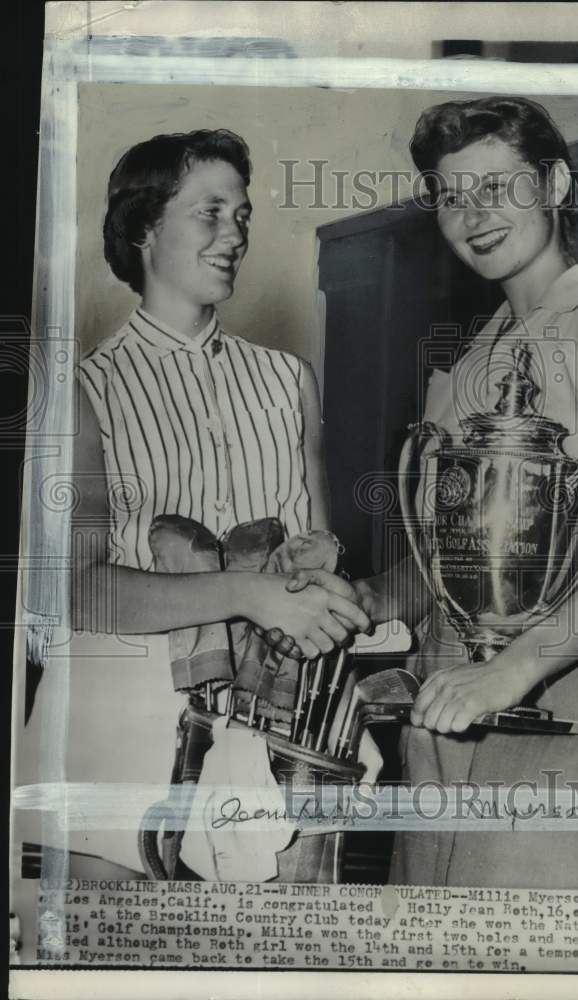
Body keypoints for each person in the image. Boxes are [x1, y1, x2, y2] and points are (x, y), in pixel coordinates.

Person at [339, 97, 578, 888]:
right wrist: (360, 601)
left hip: (565, 723)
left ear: (556, 183)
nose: (473, 215)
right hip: (441, 725)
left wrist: (510, 671)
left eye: (497, 188)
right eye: (453, 196)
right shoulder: (468, 363)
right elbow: (452, 569)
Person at [23, 128, 371, 879]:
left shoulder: (288, 381)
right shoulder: (84, 391)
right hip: (120, 721)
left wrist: (325, 582)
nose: (234, 235)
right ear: (146, 228)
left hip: (273, 714)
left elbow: (316, 553)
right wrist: (249, 591)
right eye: (209, 213)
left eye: (241, 216)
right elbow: (75, 590)